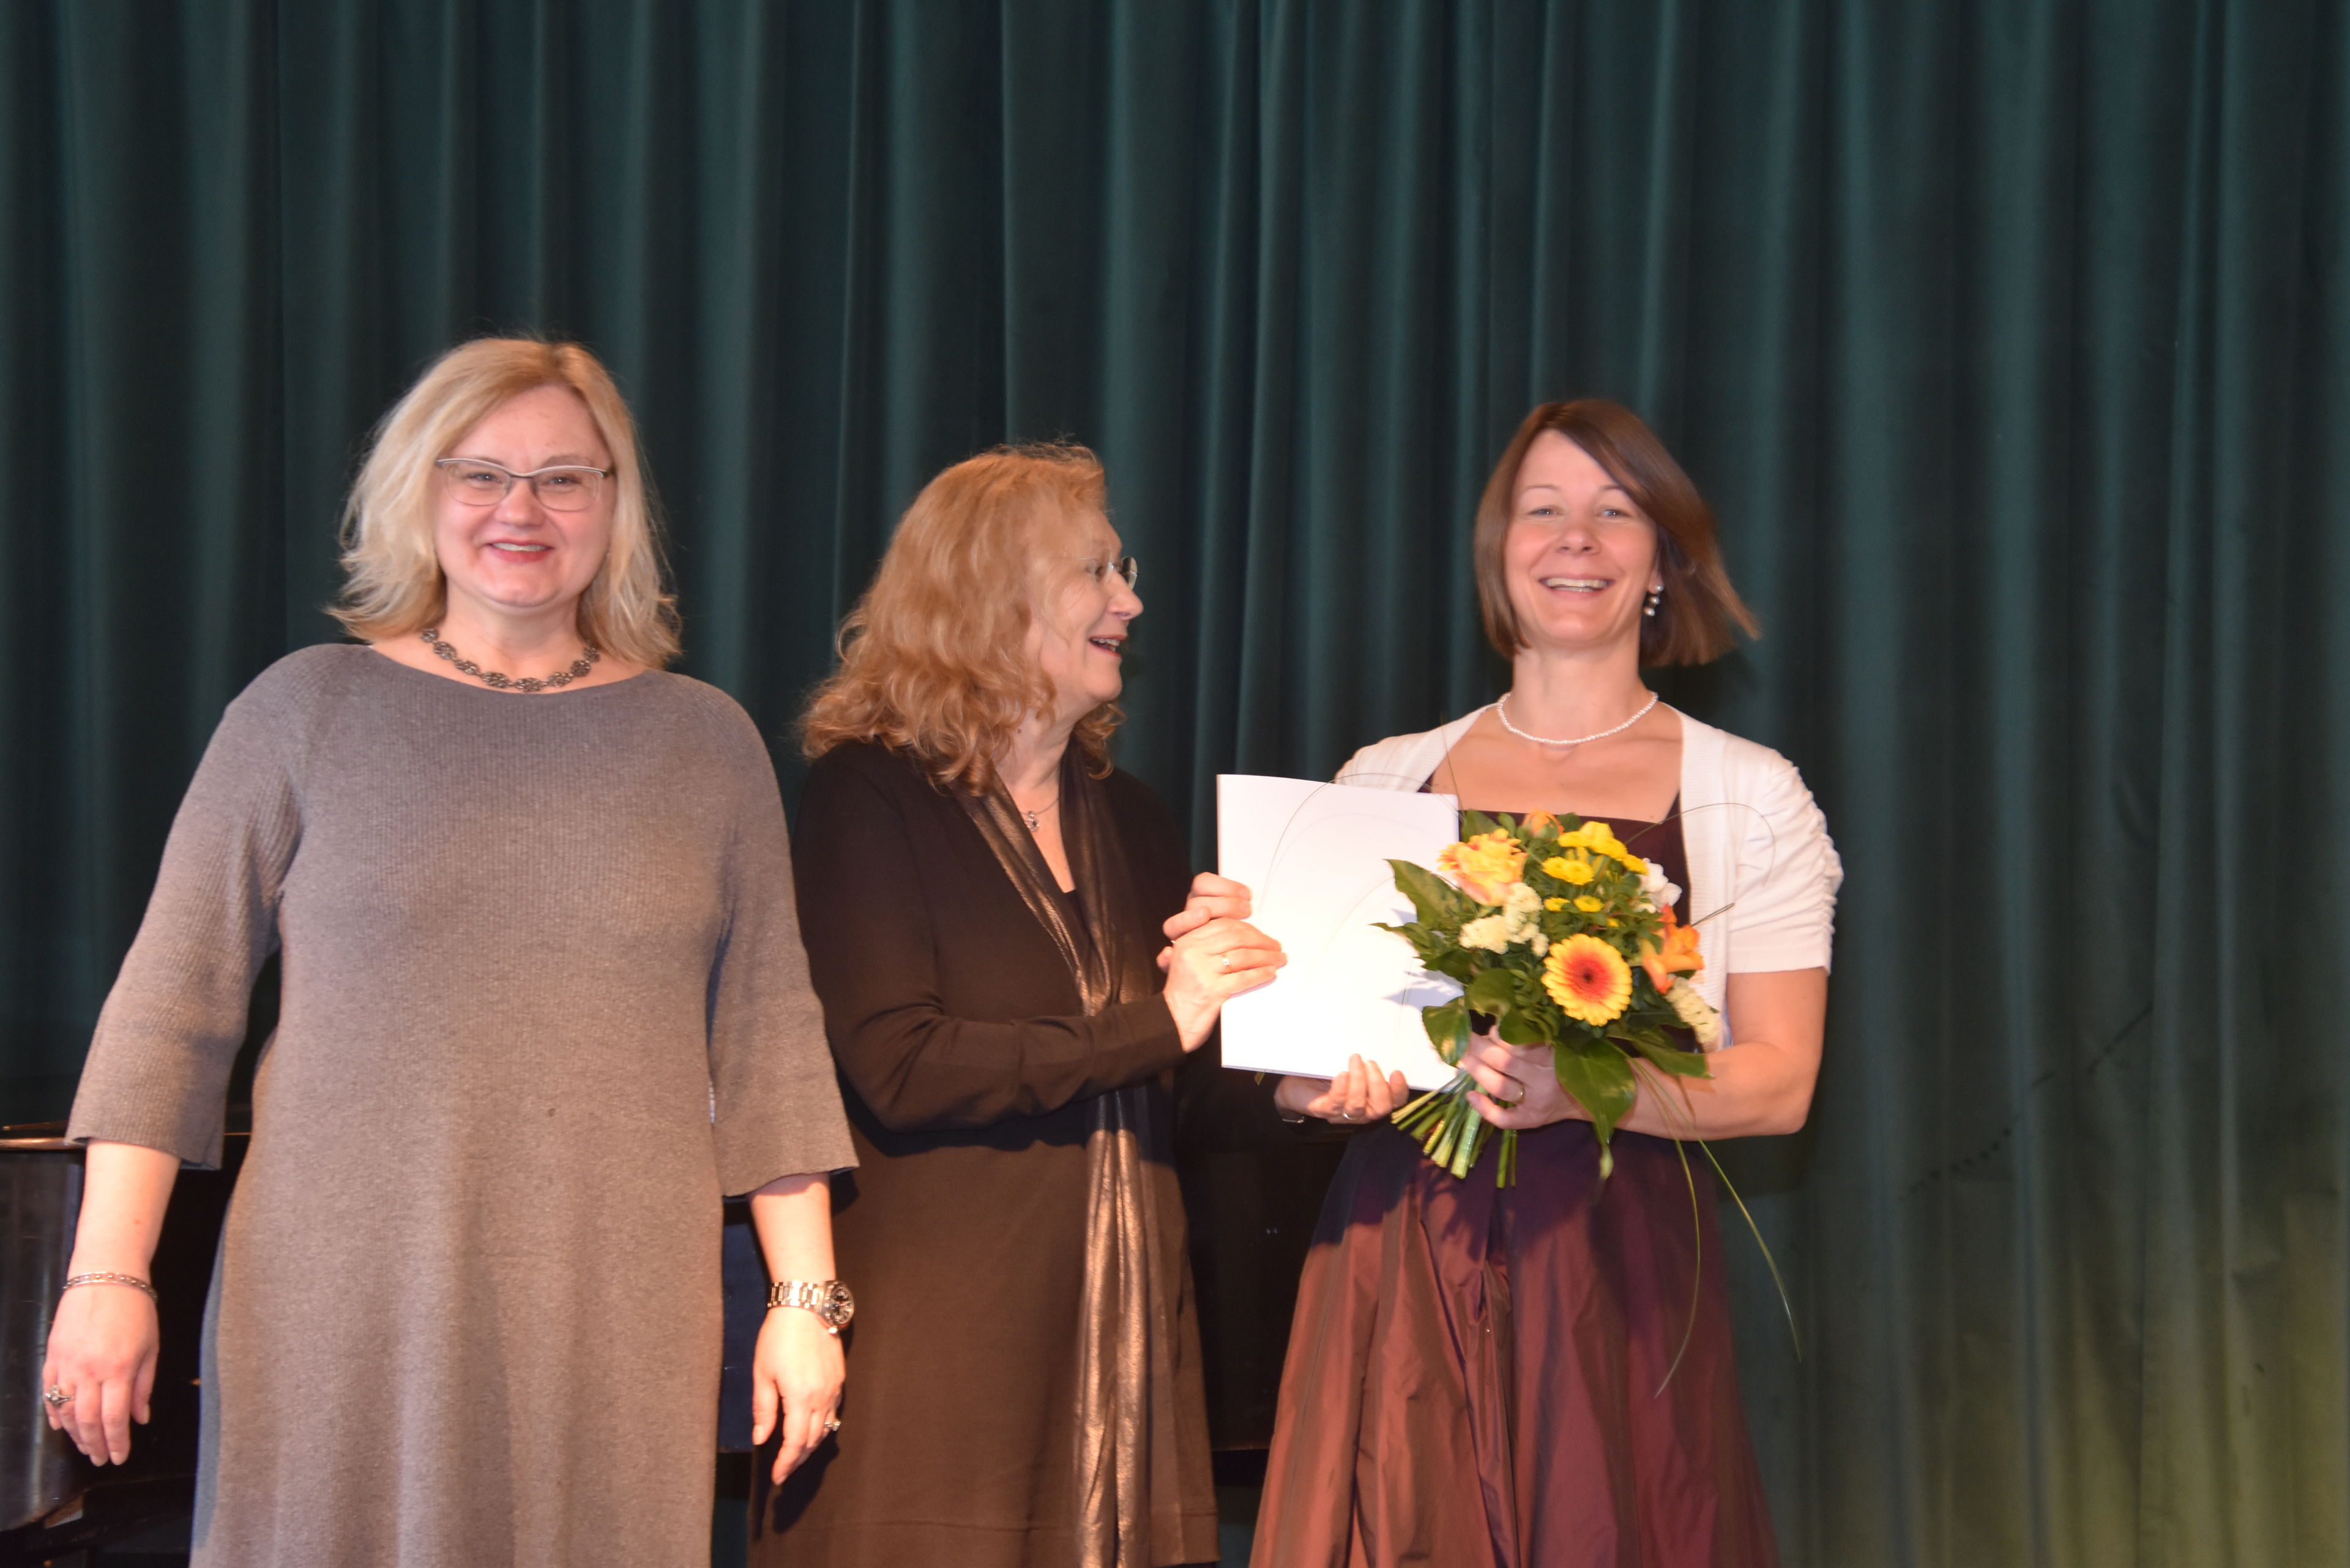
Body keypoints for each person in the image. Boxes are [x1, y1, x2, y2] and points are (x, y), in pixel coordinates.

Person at [42, 338, 854, 1567]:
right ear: (417, 495)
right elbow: (172, 1006)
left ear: (616, 507)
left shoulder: (708, 745)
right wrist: (110, 1276)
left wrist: (806, 1305)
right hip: (340, 1296)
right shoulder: (301, 714)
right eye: (480, 474)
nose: (520, 511)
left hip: (618, 1302)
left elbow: (770, 1037)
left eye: (565, 480)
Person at [1250, 400, 1842, 1567]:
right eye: (1545, 510)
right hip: (1402, 1256)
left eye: (1615, 513)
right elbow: (1299, 1071)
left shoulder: (1751, 794)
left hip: (1613, 1272)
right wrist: (1305, 1071)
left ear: (1663, 562)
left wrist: (1586, 1094)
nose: (1577, 539)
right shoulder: (1386, 775)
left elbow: (1779, 1084)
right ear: (1500, 552)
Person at [755, 443, 1283, 1568]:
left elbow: (1165, 1097)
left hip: (1122, 1356)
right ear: (991, 590)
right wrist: (1164, 1017)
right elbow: (902, 1065)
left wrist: (1290, 1072)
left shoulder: (1132, 817)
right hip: (947, 1369)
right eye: (1097, 569)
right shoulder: (869, 791)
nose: (1130, 600)